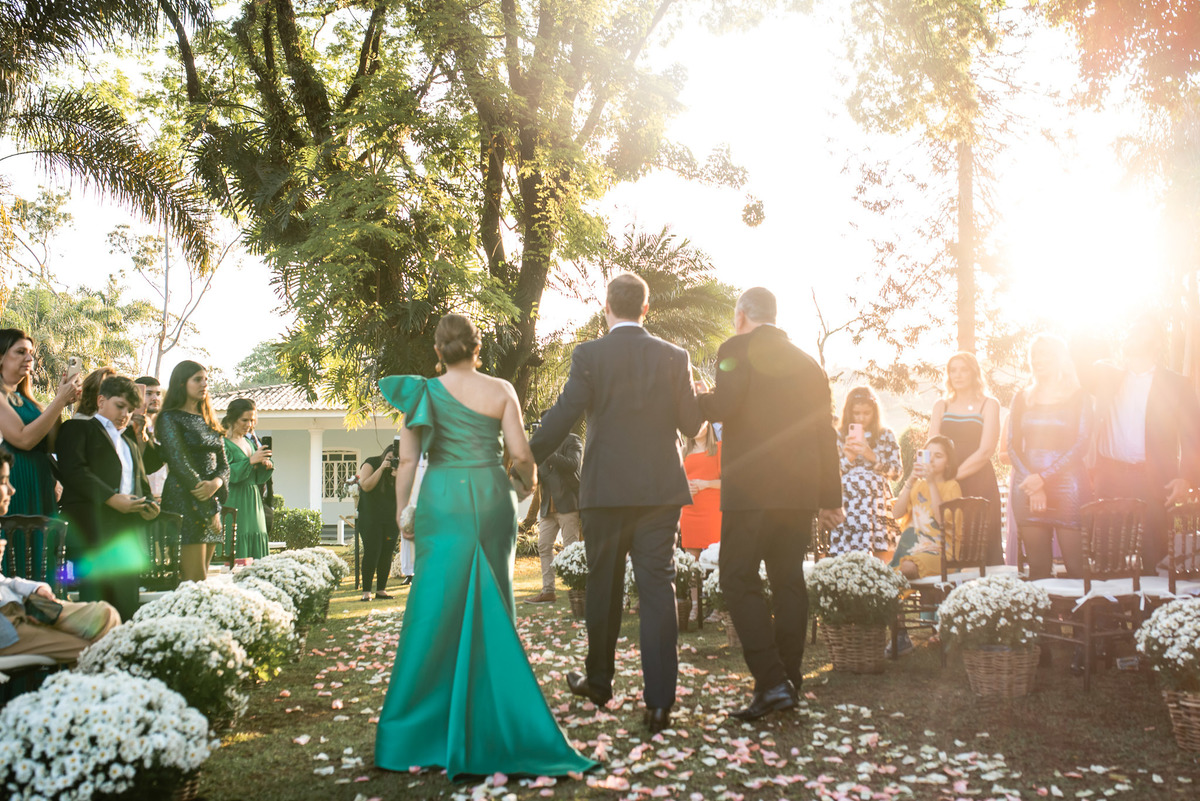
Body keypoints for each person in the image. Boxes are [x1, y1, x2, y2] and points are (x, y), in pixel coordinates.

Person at [374, 314, 596, 779]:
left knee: (435, 606)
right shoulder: (500, 390)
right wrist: (525, 488)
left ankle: (419, 730)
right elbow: (520, 456)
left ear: (439, 351)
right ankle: (491, 720)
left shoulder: (424, 393)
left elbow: (408, 459)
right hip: (492, 497)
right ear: (479, 349)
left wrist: (403, 513)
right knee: (493, 600)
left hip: (441, 499)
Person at [530, 273, 702, 735]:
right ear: (647, 309)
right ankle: (660, 701)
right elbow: (690, 422)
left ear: (606, 306)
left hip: (605, 493)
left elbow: (565, 411)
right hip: (660, 491)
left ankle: (600, 682)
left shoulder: (590, 354)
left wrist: (524, 455)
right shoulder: (675, 356)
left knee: (603, 586)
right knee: (656, 588)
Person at [696, 287, 843, 721]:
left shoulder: (736, 348)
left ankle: (772, 679)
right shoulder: (809, 364)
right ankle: (789, 680)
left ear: (741, 316)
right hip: (797, 495)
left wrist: (692, 398)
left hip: (752, 492)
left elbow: (724, 405)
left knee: (737, 577)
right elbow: (825, 435)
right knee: (788, 581)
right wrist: (829, 498)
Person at [1081, 315, 1200, 572]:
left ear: (1156, 343)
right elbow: (1078, 360)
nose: (1130, 335)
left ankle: (1153, 611)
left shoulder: (1177, 384)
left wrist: (1186, 478)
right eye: (1129, 332)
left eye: (1139, 332)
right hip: (1109, 478)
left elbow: (1193, 436)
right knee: (1106, 553)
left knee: (1153, 553)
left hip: (1153, 480)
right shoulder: (1106, 376)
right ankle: (1109, 609)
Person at [0, 447, 121, 663]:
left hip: (25, 606)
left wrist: (33, 588)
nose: (12, 490)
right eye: (3, 481)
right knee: (92, 651)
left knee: (106, 615)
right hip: (6, 624)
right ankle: (82, 692)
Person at [56, 375, 159, 621]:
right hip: (92, 532)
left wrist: (149, 506)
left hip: (125, 536)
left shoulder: (130, 443)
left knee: (126, 606)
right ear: (101, 401)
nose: (124, 414)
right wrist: (111, 499)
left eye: (129, 409)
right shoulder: (77, 428)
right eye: (119, 406)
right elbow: (74, 471)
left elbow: (141, 484)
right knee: (96, 608)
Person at [1008, 336, 1093, 580]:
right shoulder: (1021, 398)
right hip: (1027, 487)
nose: (1037, 359)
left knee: (1078, 568)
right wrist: (1033, 484)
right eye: (1034, 354)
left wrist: (1043, 478)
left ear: (1059, 359)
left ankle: (1083, 617)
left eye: (1044, 353)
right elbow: (1012, 447)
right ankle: (1042, 619)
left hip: (1069, 487)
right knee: (1038, 571)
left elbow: (1081, 444)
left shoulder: (1079, 397)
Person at [888, 435, 962, 655]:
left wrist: (931, 482)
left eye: (938, 456)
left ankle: (906, 634)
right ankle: (901, 635)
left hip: (942, 552)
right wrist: (910, 480)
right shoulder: (917, 486)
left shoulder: (952, 486)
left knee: (903, 570)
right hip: (917, 548)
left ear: (948, 462)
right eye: (929, 455)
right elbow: (896, 512)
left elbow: (941, 521)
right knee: (887, 576)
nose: (932, 461)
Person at [157, 361, 229, 583]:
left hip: (210, 499)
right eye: (197, 379)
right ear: (181, 383)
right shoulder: (169, 418)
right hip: (183, 499)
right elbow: (179, 462)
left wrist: (216, 485)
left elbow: (224, 465)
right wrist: (207, 498)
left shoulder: (209, 419)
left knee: (204, 578)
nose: (204, 384)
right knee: (193, 580)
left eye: (206, 379)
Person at [929, 352, 1003, 564]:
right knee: (950, 537)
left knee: (980, 541)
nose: (958, 375)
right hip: (946, 483)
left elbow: (986, 450)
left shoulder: (989, 404)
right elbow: (932, 446)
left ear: (974, 373)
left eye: (963, 370)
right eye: (953, 370)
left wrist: (955, 475)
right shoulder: (940, 406)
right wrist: (939, 479)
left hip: (979, 482)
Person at [0, 329, 81, 515]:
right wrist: (59, 400)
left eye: (31, 353)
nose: (29, 358)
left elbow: (51, 444)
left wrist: (62, 403)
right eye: (20, 352)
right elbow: (24, 440)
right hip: (14, 478)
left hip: (39, 478)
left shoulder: (29, 402)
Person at [830, 386, 902, 557]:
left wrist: (871, 456)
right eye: (856, 413)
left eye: (866, 413)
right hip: (848, 501)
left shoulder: (886, 435)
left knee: (882, 552)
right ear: (849, 412)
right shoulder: (839, 436)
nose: (861, 418)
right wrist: (849, 457)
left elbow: (897, 472)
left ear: (874, 412)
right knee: (847, 554)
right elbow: (831, 473)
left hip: (877, 500)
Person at [525, 428, 583, 605]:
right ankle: (548, 591)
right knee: (543, 546)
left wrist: (549, 453)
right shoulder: (542, 446)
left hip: (568, 504)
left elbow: (573, 464)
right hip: (547, 507)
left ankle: (578, 591)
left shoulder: (572, 440)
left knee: (571, 548)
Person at [221, 398, 274, 561]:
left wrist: (265, 465)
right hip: (234, 498)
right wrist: (250, 461)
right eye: (244, 420)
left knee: (256, 536)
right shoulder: (223, 443)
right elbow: (226, 473)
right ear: (232, 419)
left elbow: (257, 478)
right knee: (238, 539)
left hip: (254, 500)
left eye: (252, 420)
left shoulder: (249, 443)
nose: (249, 424)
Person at [679, 420, 721, 622]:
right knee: (691, 563)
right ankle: (695, 607)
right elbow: (675, 480)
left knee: (715, 560)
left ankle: (718, 607)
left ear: (708, 426)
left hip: (713, 510)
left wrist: (706, 484)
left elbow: (727, 480)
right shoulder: (683, 452)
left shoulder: (719, 449)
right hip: (689, 511)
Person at [355, 443, 401, 601]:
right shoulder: (371, 462)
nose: (391, 460)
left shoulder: (399, 470)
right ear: (384, 454)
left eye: (395, 459)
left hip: (390, 517)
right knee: (372, 552)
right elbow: (365, 486)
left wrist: (398, 474)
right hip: (370, 517)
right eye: (389, 457)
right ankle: (366, 591)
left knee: (387, 553)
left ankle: (381, 589)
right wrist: (381, 468)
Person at [133, 375, 167, 499]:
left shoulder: (166, 427)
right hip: (138, 496)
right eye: (148, 393)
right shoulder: (129, 427)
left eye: (158, 393)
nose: (155, 398)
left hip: (164, 496)